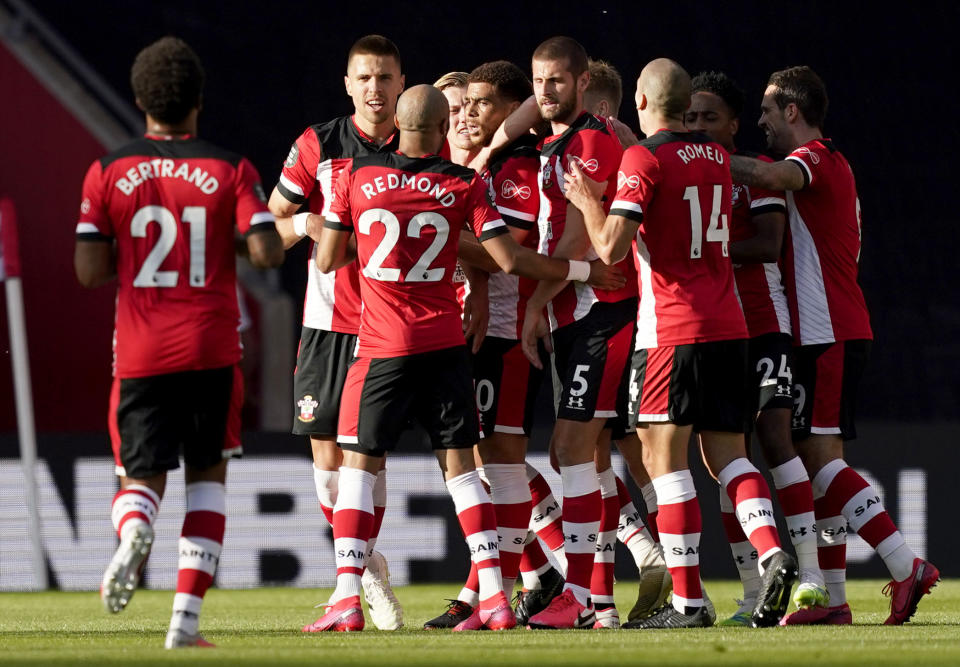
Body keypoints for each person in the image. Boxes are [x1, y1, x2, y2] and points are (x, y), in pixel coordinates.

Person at [305, 84, 624, 633]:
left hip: (381, 348)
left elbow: (331, 257)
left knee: (360, 467)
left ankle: (346, 598)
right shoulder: (464, 183)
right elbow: (510, 258)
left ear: (398, 125)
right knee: (462, 472)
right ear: (439, 129)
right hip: (446, 348)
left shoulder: (357, 178)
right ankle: (497, 598)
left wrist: (333, 221)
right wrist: (581, 271)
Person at [563, 57, 797, 629]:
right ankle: (772, 551)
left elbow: (614, 249)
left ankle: (689, 602)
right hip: (729, 326)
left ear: (639, 103)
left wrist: (588, 200)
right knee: (730, 458)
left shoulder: (645, 158)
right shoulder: (716, 156)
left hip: (670, 329)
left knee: (663, 464)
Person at [74, 36, 283, 648]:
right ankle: (184, 623)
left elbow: (88, 271)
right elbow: (268, 253)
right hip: (212, 348)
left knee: (137, 476)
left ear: (141, 98)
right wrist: (227, 240)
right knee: (208, 479)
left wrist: (136, 251)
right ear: (199, 99)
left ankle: (136, 526)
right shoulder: (229, 168)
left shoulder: (108, 170)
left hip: (140, 352)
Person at [730, 66, 939, 626]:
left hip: (826, 332)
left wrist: (697, 159)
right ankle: (836, 598)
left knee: (818, 465)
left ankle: (903, 564)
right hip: (831, 330)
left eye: (769, 112)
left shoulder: (816, 161)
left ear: (793, 112)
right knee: (818, 465)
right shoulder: (833, 163)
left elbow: (777, 180)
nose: (761, 122)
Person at [267, 34, 405, 631]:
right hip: (326, 321)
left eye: (385, 78)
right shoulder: (317, 143)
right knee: (326, 461)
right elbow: (271, 224)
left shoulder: (421, 142)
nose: (376, 89)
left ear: (402, 83)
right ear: (348, 85)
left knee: (365, 460)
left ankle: (353, 583)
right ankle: (369, 568)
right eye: (365, 78)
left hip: (389, 324)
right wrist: (312, 219)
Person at [685, 70, 828, 626]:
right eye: (691, 117)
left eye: (709, 117)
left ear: (734, 124)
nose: (698, 125)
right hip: (716, 331)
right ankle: (753, 591)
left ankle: (810, 574)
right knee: (727, 458)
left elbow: (769, 245)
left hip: (766, 323)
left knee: (773, 437)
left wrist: (707, 246)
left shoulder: (753, 177)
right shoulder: (682, 175)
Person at [520, 36, 637, 630]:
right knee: (587, 458)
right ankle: (603, 603)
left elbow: (580, 238)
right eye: (538, 80)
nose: (544, 91)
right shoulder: (555, 140)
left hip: (601, 311)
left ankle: (579, 594)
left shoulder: (590, 142)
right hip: (579, 315)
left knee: (570, 450)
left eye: (557, 81)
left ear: (583, 81)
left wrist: (536, 302)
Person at [582, 56, 672, 625]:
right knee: (635, 456)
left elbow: (607, 246)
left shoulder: (608, 144)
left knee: (585, 458)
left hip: (600, 316)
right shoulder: (639, 148)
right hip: (638, 318)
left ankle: (601, 600)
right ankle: (671, 568)